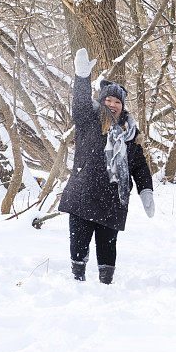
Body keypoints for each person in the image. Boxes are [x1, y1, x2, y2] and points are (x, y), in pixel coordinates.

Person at [58, 48, 155, 284]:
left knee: (107, 246)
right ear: (101, 102)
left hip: (112, 200)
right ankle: (77, 280)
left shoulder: (129, 134)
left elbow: (139, 166)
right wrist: (82, 77)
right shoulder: (88, 121)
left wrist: (146, 190)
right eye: (108, 100)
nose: (112, 104)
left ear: (123, 106)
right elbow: (80, 103)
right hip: (83, 193)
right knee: (78, 243)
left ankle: (106, 285)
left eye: (117, 101)